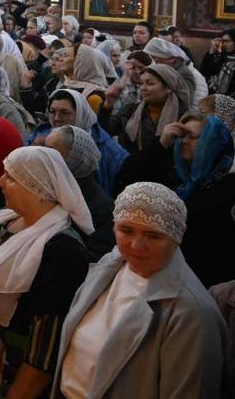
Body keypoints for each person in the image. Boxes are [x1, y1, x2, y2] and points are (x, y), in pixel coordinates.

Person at [0, 146, 91, 399]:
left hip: (8, 375)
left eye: (10, 177)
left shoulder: (61, 250)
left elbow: (45, 348)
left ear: (37, 188)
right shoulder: (4, 220)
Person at [51, 182, 227, 398]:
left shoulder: (192, 313)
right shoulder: (109, 267)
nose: (136, 245)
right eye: (126, 230)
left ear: (175, 239)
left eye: (153, 236)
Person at [169, 112, 235, 286]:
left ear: (213, 142)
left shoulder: (229, 188)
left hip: (214, 285)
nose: (183, 141)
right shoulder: (178, 180)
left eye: (192, 137)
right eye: (182, 136)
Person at [29, 89, 127, 195]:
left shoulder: (107, 149)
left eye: (65, 113)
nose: (57, 118)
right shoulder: (38, 137)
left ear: (80, 114)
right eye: (52, 112)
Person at [42, 126, 116, 259]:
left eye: (53, 153)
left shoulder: (101, 207)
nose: (44, 157)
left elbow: (95, 257)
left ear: (75, 159)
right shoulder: (45, 188)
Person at [118, 63, 190, 189]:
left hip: (168, 185)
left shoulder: (183, 119)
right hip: (136, 179)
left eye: (150, 83)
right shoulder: (131, 112)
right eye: (141, 84)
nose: (143, 88)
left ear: (168, 87)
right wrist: (107, 105)